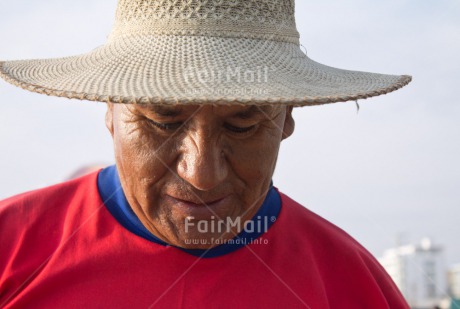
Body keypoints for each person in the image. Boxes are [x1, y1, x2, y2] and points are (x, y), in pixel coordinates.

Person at [0, 0, 412, 308]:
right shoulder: (10, 248)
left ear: (287, 118)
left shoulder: (352, 284)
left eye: (243, 125)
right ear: (110, 111)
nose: (201, 175)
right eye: (163, 120)